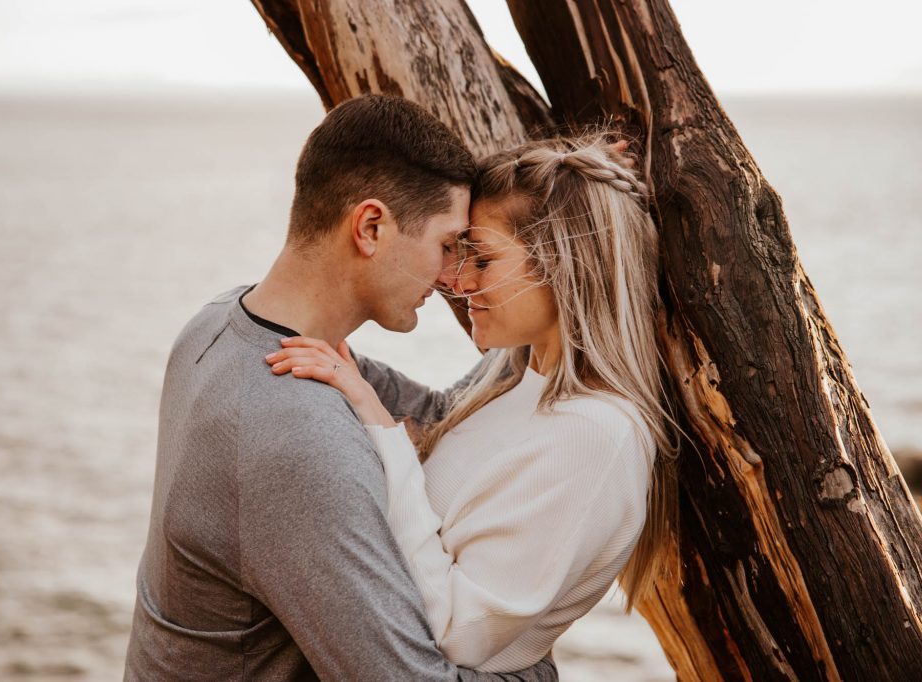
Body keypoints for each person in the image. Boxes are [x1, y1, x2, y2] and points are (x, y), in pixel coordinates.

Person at [123, 95, 560, 681]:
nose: (453, 277)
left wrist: (564, 247)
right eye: (448, 244)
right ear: (371, 226)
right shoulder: (297, 436)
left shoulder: (221, 323)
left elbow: (443, 415)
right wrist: (534, 662)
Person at [265, 133, 679, 671]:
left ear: (564, 263)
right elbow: (441, 413)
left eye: (481, 259)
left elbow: (457, 633)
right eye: (460, 254)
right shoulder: (518, 374)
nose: (457, 282)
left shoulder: (594, 438)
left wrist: (377, 425)